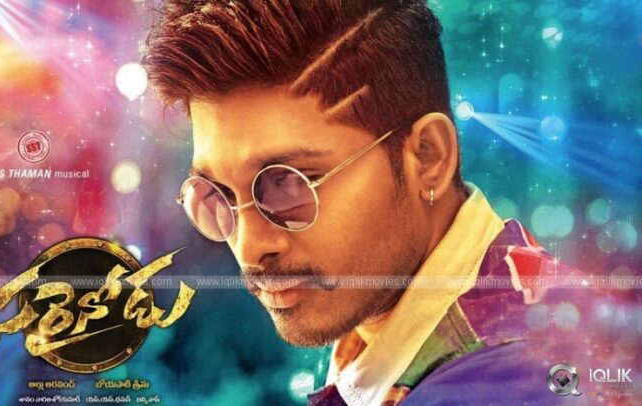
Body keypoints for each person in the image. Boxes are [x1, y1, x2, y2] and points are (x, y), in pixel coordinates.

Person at [143, 1, 634, 404]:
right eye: (218, 195)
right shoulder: (379, 312)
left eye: (288, 185)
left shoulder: (503, 384)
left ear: (427, 158)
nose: (249, 248)